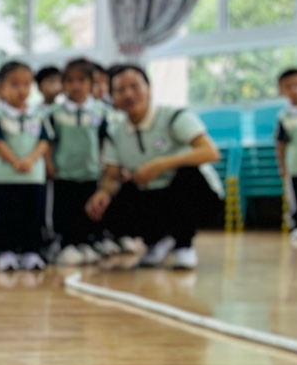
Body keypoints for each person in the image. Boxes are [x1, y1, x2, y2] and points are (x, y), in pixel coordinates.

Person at [88, 64, 222, 271]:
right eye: (120, 90)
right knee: (111, 205)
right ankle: (155, 241)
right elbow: (112, 175)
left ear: (149, 88)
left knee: (187, 176)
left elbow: (210, 152)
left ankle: (183, 244)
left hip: (192, 193)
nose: (128, 94)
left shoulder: (174, 117)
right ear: (112, 97)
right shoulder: (115, 133)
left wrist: (161, 164)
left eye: (135, 86)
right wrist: (103, 192)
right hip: (151, 194)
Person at [0, 61, 53, 273]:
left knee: (33, 214)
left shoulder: (39, 114)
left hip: (33, 176)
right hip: (5, 176)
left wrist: (31, 160)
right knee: (7, 215)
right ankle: (6, 251)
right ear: (0, 87)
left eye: (26, 84)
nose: (21, 90)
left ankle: (31, 252)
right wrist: (15, 161)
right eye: (14, 84)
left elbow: (45, 140)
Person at [46, 59, 107, 265]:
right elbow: (49, 142)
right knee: (66, 210)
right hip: (64, 172)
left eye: (81, 80)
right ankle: (67, 244)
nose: (76, 86)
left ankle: (86, 243)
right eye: (70, 81)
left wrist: (104, 165)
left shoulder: (100, 111)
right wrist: (49, 163)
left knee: (89, 210)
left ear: (91, 84)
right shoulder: (55, 113)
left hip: (91, 171)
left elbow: (103, 142)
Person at [275, 67, 297, 245]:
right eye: (288, 87)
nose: (294, 89)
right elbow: (281, 143)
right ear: (282, 91)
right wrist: (282, 165)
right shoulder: (284, 116)